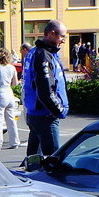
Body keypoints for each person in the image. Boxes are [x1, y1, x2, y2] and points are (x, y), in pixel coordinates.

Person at [22, 19, 69, 161]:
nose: (63, 41)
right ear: (52, 34)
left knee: (33, 161)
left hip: (35, 114)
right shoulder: (43, 55)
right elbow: (45, 91)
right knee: (53, 161)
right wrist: (60, 110)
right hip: (45, 117)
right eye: (62, 37)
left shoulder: (37, 52)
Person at [0, 48, 20, 151]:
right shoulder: (12, 68)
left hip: (0, 93)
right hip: (9, 93)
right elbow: (15, 83)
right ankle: (14, 141)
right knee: (11, 119)